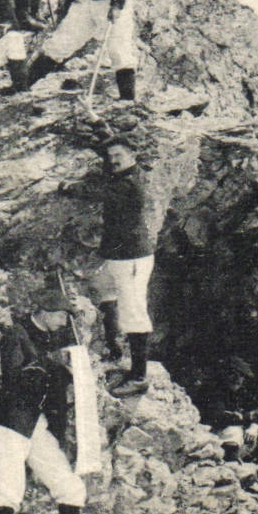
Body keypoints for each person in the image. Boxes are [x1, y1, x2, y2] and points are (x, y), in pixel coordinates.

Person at [0, 281, 89, 514]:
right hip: (11, 420)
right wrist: (52, 363)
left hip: (36, 423)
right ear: (45, 312)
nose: (63, 321)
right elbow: (14, 377)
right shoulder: (15, 335)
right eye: (61, 315)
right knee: (8, 492)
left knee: (71, 487)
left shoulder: (49, 338)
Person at [92, 139, 155, 397]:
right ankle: (115, 350)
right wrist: (96, 123)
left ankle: (139, 376)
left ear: (132, 155)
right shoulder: (124, 173)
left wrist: (66, 187)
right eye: (110, 156)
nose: (113, 160)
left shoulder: (129, 183)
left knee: (134, 312)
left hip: (132, 259)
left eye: (118, 155)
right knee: (102, 289)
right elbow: (109, 143)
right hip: (118, 257)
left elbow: (97, 193)